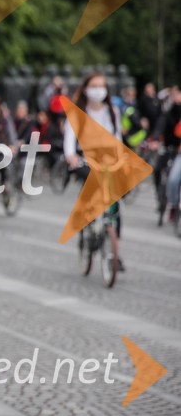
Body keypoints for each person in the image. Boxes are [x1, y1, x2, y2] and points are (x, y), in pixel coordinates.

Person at [63, 71, 125, 271]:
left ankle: (115, 249)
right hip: (84, 159)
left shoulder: (112, 111)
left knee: (115, 204)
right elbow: (69, 140)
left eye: (101, 86)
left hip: (107, 159)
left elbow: (117, 139)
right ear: (86, 89)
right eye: (94, 86)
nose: (98, 90)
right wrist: (72, 156)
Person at [151, 87, 181, 223]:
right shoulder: (168, 113)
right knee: (157, 170)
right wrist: (156, 140)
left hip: (179, 151)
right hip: (168, 147)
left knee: (174, 178)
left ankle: (175, 205)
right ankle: (160, 196)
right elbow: (160, 126)